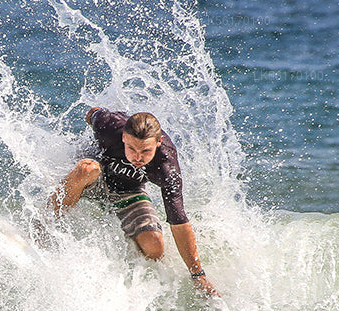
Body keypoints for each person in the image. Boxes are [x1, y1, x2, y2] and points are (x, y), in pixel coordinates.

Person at [48, 107, 219, 296]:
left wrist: (198, 275)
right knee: (87, 168)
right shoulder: (109, 125)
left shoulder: (167, 168)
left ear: (158, 142)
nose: (138, 157)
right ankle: (44, 225)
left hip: (127, 191)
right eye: (131, 148)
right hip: (89, 180)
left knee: (155, 246)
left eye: (146, 151)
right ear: (123, 138)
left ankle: (129, 274)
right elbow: (92, 113)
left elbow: (178, 221)